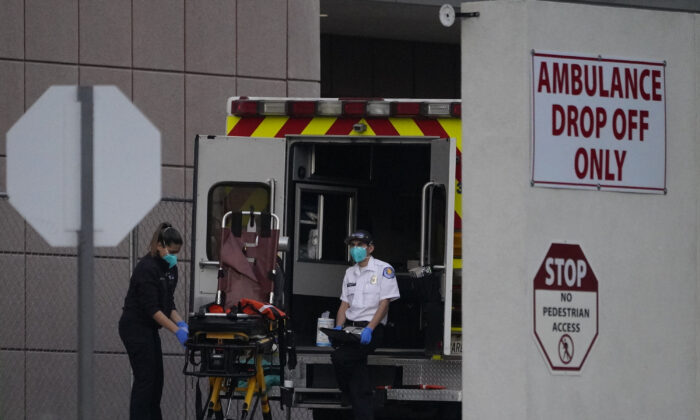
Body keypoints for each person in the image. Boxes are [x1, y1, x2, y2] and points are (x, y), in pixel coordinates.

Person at [118, 222, 187, 420]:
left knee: (157, 381)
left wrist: (183, 325)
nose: (174, 255)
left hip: (149, 329)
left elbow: (168, 304)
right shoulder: (146, 269)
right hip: (135, 327)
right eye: (171, 251)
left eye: (177, 252)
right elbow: (153, 310)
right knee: (145, 380)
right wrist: (176, 331)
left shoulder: (170, 268)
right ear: (159, 245)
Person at [330, 230, 400, 420]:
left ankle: (345, 392)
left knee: (340, 358)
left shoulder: (384, 269)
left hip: (372, 329)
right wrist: (338, 327)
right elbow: (344, 304)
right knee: (358, 378)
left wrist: (370, 328)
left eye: (360, 245)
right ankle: (360, 401)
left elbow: (384, 303)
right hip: (350, 329)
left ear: (370, 248)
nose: (355, 249)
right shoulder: (350, 272)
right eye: (352, 245)